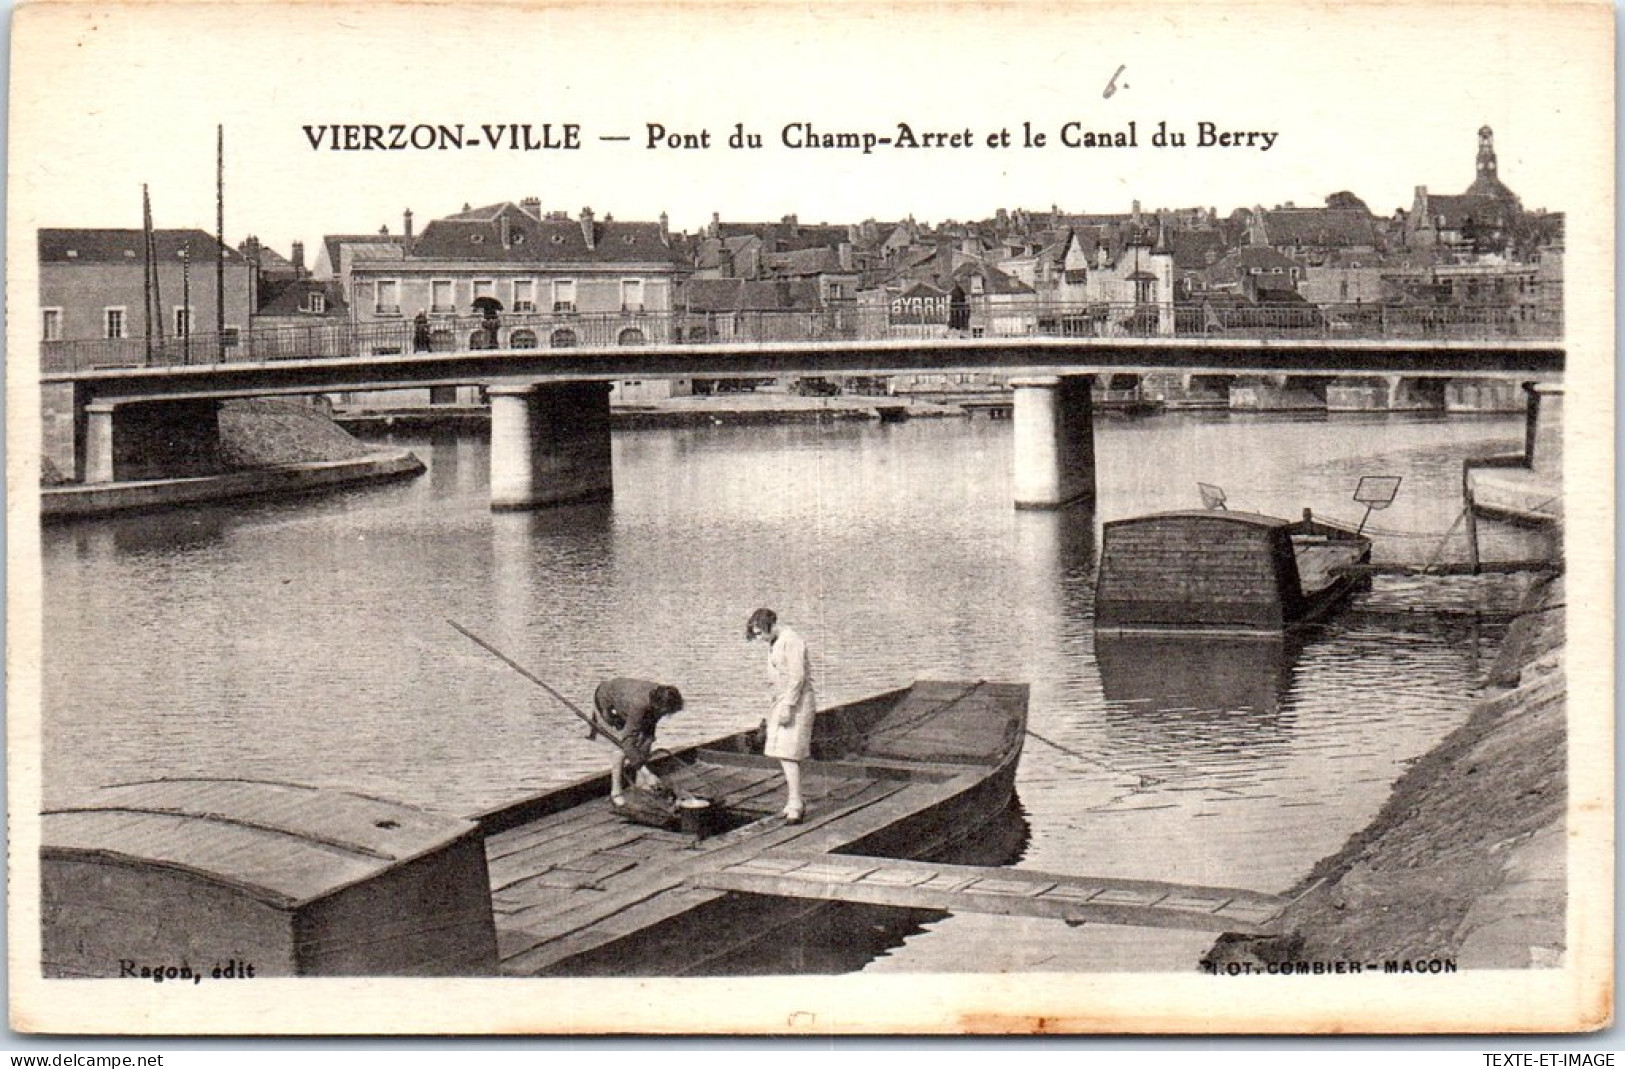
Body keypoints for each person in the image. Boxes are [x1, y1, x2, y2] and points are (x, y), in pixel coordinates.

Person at [745, 608, 815, 824]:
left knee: (789, 753)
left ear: (769, 625)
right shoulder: (775, 642)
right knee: (782, 753)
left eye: (759, 633)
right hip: (781, 701)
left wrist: (788, 706)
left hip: (797, 702)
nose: (759, 638)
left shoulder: (791, 640)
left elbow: (797, 677)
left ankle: (796, 804)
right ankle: (793, 800)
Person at [591, 677, 684, 806]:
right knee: (621, 748)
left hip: (624, 701)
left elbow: (650, 726)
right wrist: (647, 773)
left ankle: (642, 786)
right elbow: (627, 743)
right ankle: (615, 793)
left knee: (646, 741)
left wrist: (648, 740)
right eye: (665, 712)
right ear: (659, 706)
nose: (666, 715)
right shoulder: (639, 704)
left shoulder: (662, 696)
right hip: (606, 704)